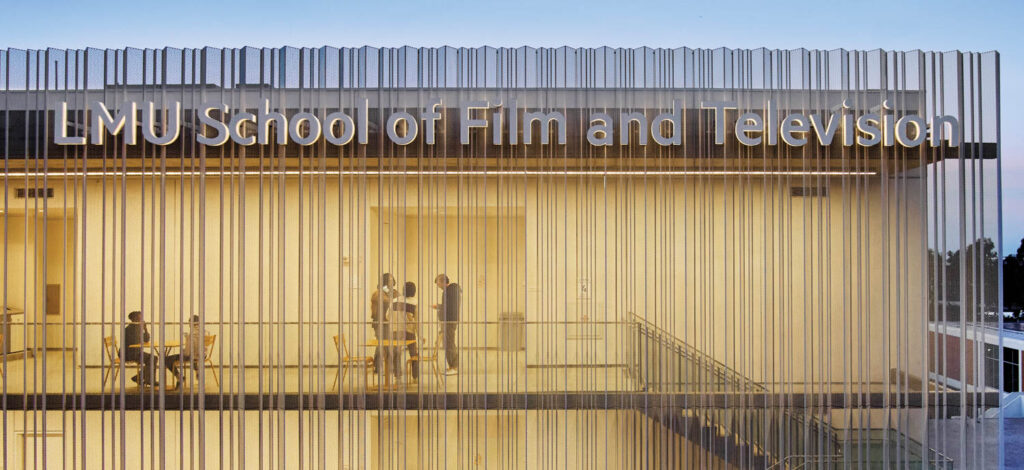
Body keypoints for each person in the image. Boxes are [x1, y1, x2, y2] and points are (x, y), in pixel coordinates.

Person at [165, 315, 209, 388]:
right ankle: (197, 371)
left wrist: (183, 350)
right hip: (203, 355)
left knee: (166, 359)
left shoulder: (191, 335)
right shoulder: (206, 332)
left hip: (194, 356)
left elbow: (187, 353)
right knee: (194, 356)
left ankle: (179, 377)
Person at [390, 282, 419, 382]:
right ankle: (415, 376)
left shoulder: (394, 301)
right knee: (413, 353)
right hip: (409, 331)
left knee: (396, 352)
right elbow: (417, 321)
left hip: (396, 331)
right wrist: (419, 334)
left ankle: (397, 375)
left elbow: (387, 316)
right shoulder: (415, 302)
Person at [431, 274, 460, 375]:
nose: (438, 286)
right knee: (449, 343)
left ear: (443, 282)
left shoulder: (449, 292)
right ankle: (452, 366)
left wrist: (438, 306)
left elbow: (449, 308)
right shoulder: (451, 291)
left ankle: (454, 367)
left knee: (449, 344)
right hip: (449, 321)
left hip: (449, 321)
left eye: (438, 283)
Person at [370, 273, 397, 374]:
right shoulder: (378, 293)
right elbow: (388, 302)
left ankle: (389, 367)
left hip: (389, 323)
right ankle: (378, 367)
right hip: (380, 323)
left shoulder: (391, 292)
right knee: (381, 345)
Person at [123, 311, 157, 387]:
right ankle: (148, 380)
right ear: (134, 319)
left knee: (153, 358)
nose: (142, 319)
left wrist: (145, 329)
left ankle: (139, 378)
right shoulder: (129, 329)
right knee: (152, 359)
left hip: (136, 352)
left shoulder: (138, 328)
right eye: (139, 318)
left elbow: (146, 340)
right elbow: (134, 342)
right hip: (128, 353)